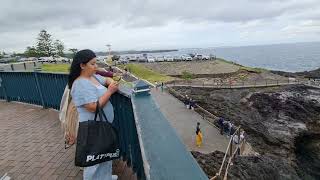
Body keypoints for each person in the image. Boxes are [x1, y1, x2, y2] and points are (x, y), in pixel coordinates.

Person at [68, 49, 119, 180]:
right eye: (92, 64)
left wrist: (110, 83)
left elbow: (106, 79)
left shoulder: (92, 77)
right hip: (92, 126)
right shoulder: (80, 84)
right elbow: (92, 107)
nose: (96, 66)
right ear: (82, 65)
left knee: (105, 154)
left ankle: (105, 177)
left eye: (96, 63)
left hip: (103, 124)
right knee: (94, 158)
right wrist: (110, 92)